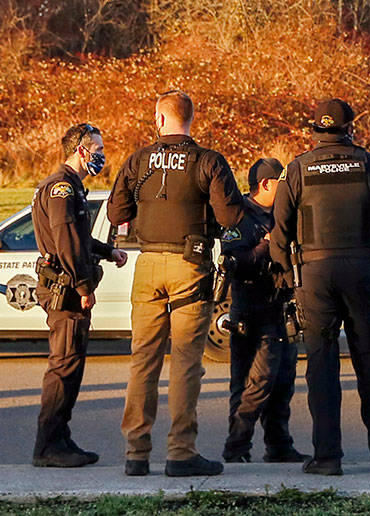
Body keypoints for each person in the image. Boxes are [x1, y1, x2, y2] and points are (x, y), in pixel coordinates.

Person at [108, 90, 246, 477]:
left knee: (143, 362)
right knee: (185, 363)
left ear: (159, 119)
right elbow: (232, 216)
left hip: (148, 264)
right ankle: (181, 452)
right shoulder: (208, 161)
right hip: (191, 265)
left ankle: (136, 453)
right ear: (191, 119)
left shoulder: (138, 160)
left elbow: (116, 211)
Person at [270, 98, 370, 476]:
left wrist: (286, 276)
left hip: (314, 275)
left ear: (315, 130)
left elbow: (279, 234)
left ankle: (327, 457)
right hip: (361, 271)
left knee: (322, 368)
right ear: (351, 128)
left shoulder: (297, 169)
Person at [31, 123, 128, 468]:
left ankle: (61, 438)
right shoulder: (61, 189)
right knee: (64, 366)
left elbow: (80, 236)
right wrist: (84, 287)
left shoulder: (73, 188)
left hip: (70, 285)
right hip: (67, 290)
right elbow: (66, 241)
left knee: (71, 366)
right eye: (98, 149)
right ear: (81, 150)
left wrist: (106, 252)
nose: (102, 155)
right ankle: (47, 447)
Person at [220, 157, 304, 464]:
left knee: (283, 380)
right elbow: (233, 260)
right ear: (266, 184)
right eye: (280, 183)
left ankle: (279, 444)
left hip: (281, 305)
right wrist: (266, 246)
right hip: (252, 308)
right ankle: (237, 445)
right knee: (254, 382)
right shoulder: (239, 216)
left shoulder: (285, 214)